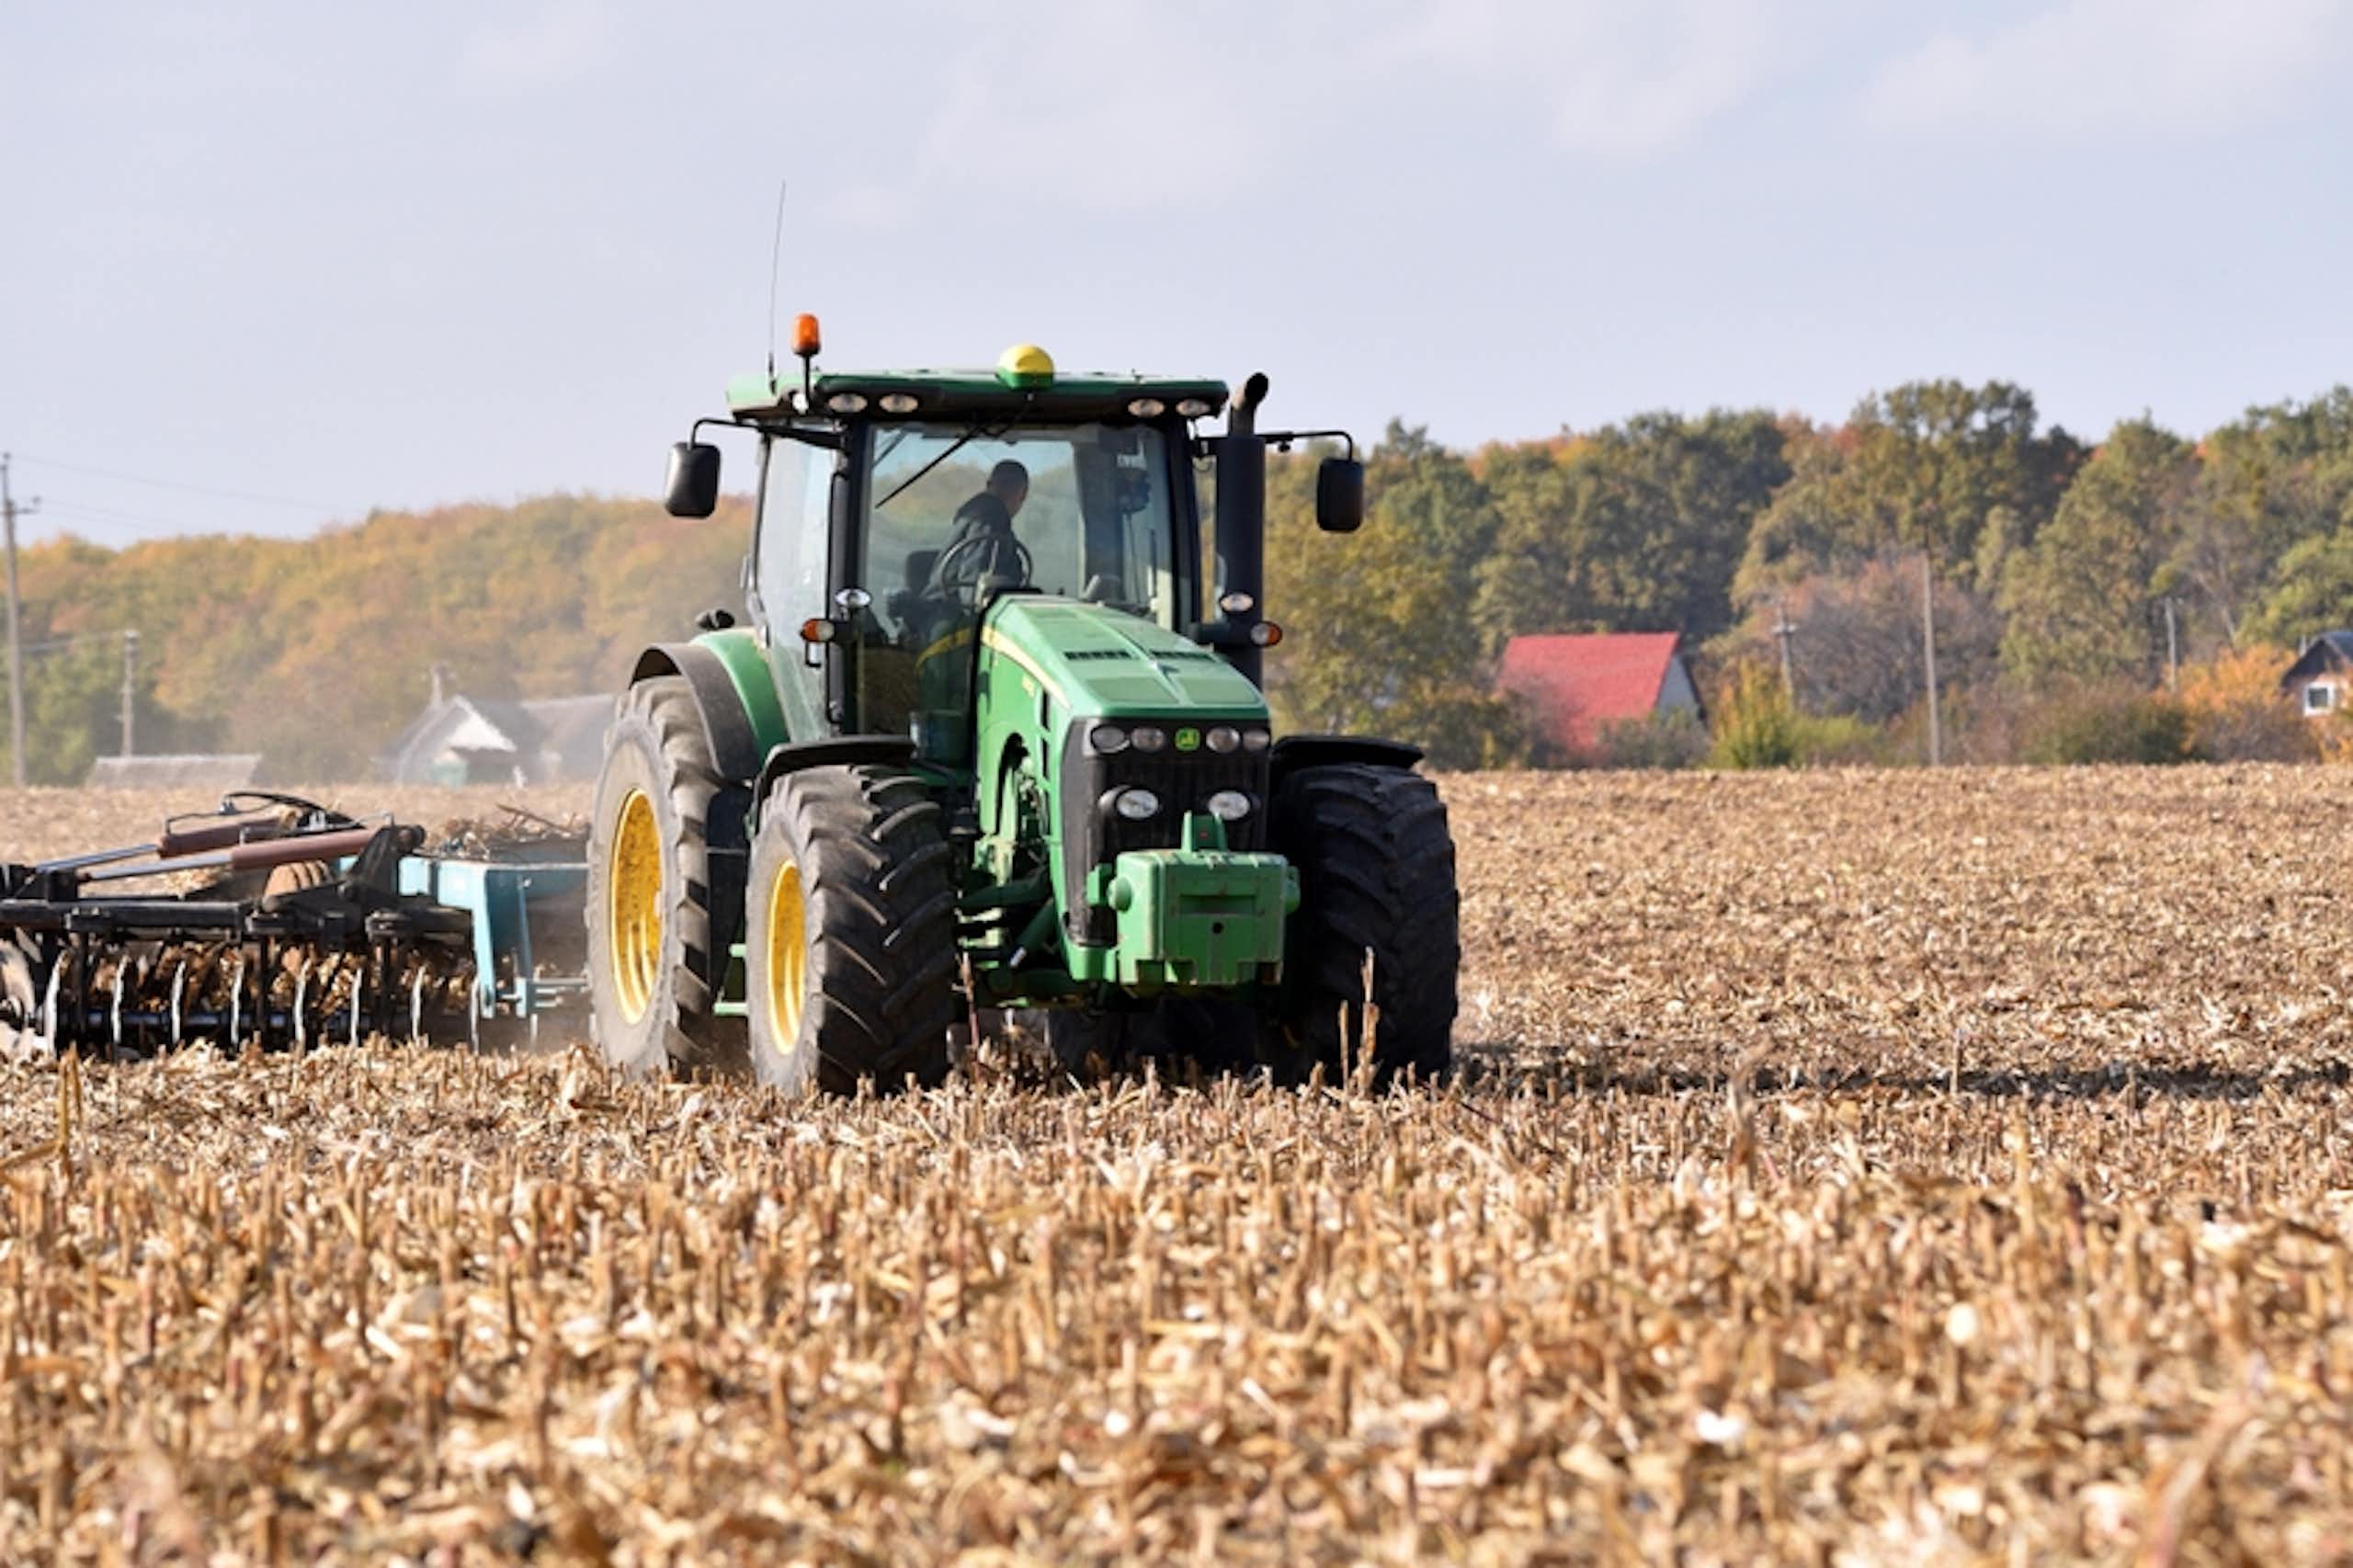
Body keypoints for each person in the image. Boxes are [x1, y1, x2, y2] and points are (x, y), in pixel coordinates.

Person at [931, 460, 1029, 594]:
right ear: (1023, 493)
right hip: (953, 609)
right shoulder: (991, 515)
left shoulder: (975, 511)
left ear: (989, 484)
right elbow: (974, 579)